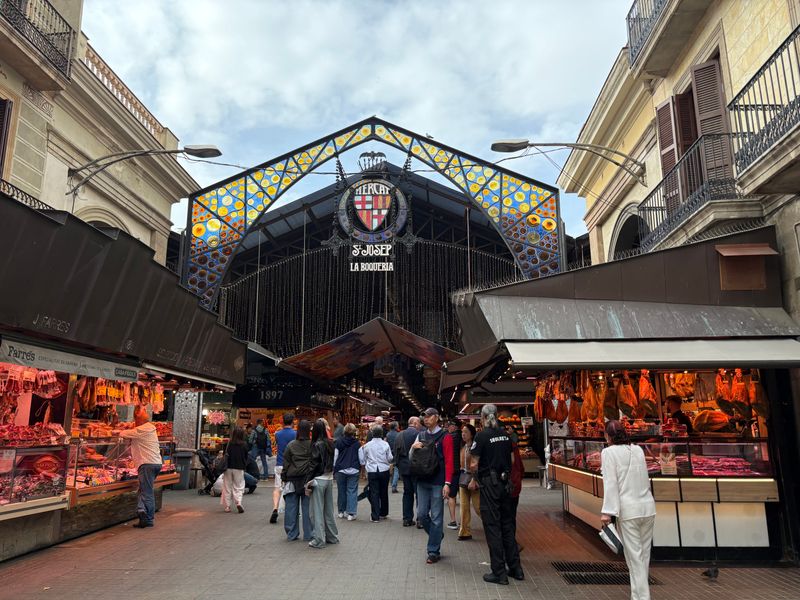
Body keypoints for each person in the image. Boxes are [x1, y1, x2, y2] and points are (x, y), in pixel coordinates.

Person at [600, 420, 656, 600]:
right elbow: (643, 477)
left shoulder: (608, 453)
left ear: (608, 436)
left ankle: (644, 597)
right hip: (647, 507)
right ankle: (636, 595)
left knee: (634, 558)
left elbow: (610, 483)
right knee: (643, 556)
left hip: (629, 509)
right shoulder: (637, 450)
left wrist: (608, 511)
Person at [469, 404, 522, 585]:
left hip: (489, 485)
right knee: (507, 525)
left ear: (483, 417)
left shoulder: (481, 436)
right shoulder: (506, 436)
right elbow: (513, 460)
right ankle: (516, 568)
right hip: (506, 484)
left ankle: (499, 572)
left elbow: (474, 464)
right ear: (497, 416)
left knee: (492, 527)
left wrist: (475, 478)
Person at [411, 407, 454, 564]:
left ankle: (433, 551)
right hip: (422, 480)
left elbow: (449, 461)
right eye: (424, 416)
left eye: (429, 416)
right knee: (422, 515)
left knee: (436, 517)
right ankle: (437, 535)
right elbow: (412, 457)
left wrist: (447, 483)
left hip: (437, 481)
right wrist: (412, 448)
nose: (426, 418)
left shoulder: (445, 437)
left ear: (436, 418)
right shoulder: (420, 435)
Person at [116, 406, 162, 528]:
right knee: (143, 489)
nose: (146, 412)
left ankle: (149, 519)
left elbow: (126, 433)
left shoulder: (146, 428)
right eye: (143, 410)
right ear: (137, 414)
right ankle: (142, 512)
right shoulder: (144, 428)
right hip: (153, 463)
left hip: (148, 464)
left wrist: (116, 431)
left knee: (146, 491)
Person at [308, 418, 339, 549]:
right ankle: (332, 536)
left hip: (318, 480)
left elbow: (314, 465)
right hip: (329, 479)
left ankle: (319, 539)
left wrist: (308, 482)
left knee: (317, 511)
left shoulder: (316, 445)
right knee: (328, 510)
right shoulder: (330, 443)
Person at [282, 419, 313, 542]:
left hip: (292, 479)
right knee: (307, 508)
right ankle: (309, 534)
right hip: (308, 480)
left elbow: (286, 463)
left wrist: (284, 476)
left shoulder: (291, 445)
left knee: (291, 507)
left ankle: (292, 533)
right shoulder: (313, 445)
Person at [359, 424, 393, 522]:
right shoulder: (385, 444)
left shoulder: (367, 445)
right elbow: (390, 457)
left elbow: (363, 458)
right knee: (384, 492)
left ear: (372, 434)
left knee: (374, 492)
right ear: (382, 434)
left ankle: (375, 516)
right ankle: (384, 512)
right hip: (384, 470)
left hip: (372, 471)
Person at [395, 416, 422, 527]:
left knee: (407, 493)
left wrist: (399, 466)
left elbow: (395, 452)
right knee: (420, 494)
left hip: (405, 469)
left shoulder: (400, 434)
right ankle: (420, 519)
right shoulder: (420, 434)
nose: (419, 425)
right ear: (415, 423)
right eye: (419, 423)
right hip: (418, 469)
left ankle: (407, 519)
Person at [270, 412, 296, 524]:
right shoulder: (296, 434)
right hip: (291, 465)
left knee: (277, 487)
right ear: (293, 422)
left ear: (282, 422)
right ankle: (291, 510)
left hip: (279, 464)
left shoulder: (277, 434)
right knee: (291, 488)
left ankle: (275, 508)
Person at [458, 424, 480, 541]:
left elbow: (476, 465)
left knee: (478, 507)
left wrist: (474, 479)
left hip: (474, 479)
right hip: (463, 478)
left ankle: (492, 525)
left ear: (472, 434)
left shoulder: (475, 447)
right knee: (464, 507)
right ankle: (464, 531)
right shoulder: (463, 446)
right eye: (462, 432)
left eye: (466, 432)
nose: (463, 434)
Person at [334, 423, 361, 520]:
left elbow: (335, 456)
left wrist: (334, 467)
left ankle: (341, 511)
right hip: (354, 468)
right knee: (352, 491)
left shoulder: (338, 442)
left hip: (341, 469)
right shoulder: (357, 443)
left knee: (341, 491)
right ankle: (351, 513)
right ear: (354, 432)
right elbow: (361, 458)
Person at [221, 426, 248, 513]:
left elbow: (224, 454)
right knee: (239, 486)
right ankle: (238, 502)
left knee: (227, 486)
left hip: (228, 467)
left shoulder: (229, 443)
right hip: (239, 467)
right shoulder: (244, 444)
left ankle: (227, 506)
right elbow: (246, 457)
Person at [446, 420, 462, 530]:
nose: (448, 427)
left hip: (453, 470)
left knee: (452, 496)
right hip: (464, 471)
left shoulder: (449, 437)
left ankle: (453, 521)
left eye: (449, 425)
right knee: (464, 498)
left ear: (454, 426)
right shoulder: (466, 438)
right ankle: (463, 521)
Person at [386, 421, 401, 493]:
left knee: (390, 469)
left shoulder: (388, 434)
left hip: (389, 453)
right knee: (396, 470)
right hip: (396, 454)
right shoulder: (399, 434)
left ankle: (391, 483)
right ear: (395, 427)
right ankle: (394, 486)